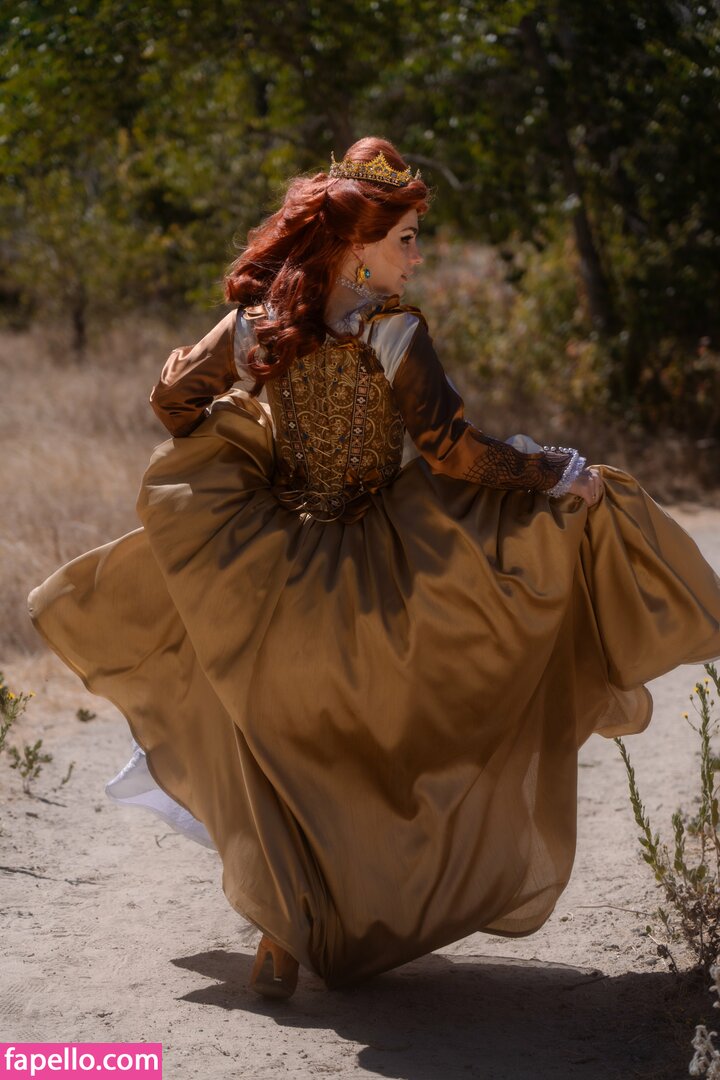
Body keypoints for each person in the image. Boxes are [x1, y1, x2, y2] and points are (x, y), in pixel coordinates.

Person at [28, 137, 720, 1001]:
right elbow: (453, 451)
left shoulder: (257, 326)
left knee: (277, 746)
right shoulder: (393, 332)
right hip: (371, 563)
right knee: (363, 748)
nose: (417, 256)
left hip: (270, 561)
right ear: (358, 247)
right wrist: (553, 472)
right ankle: (321, 917)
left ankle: (283, 934)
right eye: (406, 239)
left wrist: (245, 408)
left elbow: (170, 403)